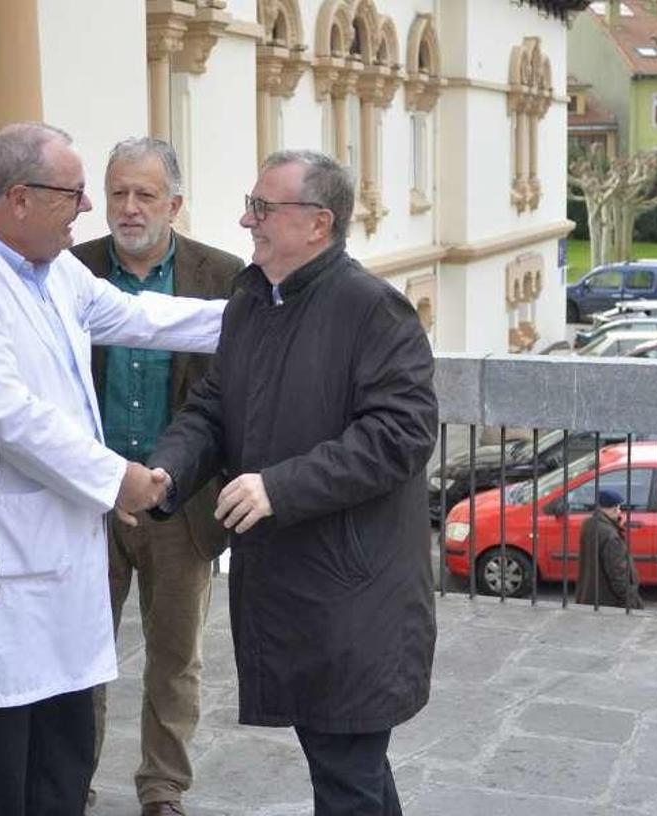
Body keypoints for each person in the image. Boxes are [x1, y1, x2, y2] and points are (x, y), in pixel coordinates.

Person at [0, 122, 225, 816]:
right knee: (10, 764)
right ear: (21, 199)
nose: (91, 208)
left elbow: (144, 319)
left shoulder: (57, 270)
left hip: (66, 549)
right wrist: (117, 477)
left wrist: (258, 318)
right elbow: (7, 414)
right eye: (77, 193)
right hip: (11, 553)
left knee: (60, 756)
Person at [147, 149, 438, 815]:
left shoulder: (373, 308)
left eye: (262, 208)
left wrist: (279, 486)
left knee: (346, 772)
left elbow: (401, 434)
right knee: (348, 767)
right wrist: (168, 469)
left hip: (354, 594)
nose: (246, 219)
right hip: (298, 590)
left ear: (317, 223)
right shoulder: (252, 300)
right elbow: (213, 408)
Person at [71, 137, 242, 816]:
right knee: (79, 657)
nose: (129, 207)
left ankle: (163, 789)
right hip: (88, 501)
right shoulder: (70, 270)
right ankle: (69, 779)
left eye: (145, 194)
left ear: (175, 203)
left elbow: (236, 393)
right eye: (118, 192)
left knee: (175, 659)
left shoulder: (222, 277)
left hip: (181, 507)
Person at [575, 489, 643, 609]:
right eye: (618, 508)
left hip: (590, 597)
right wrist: (630, 601)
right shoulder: (610, 535)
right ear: (613, 508)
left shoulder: (589, 524)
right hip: (609, 602)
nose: (619, 512)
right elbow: (618, 574)